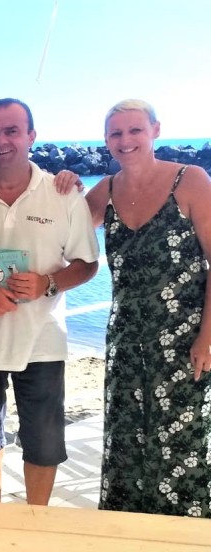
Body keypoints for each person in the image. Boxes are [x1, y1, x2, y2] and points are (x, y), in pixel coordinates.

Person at [0, 98, 99, 552]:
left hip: (42, 341)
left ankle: (35, 521)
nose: (2, 141)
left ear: (32, 136)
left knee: (44, 440)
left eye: (12, 131)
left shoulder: (64, 193)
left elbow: (87, 264)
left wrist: (50, 283)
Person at [84, 99, 211, 517]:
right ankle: (127, 534)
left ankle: (185, 539)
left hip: (184, 339)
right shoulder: (104, 190)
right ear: (106, 141)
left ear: (155, 130)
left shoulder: (190, 180)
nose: (126, 140)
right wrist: (60, 184)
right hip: (126, 341)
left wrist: (208, 336)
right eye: (116, 133)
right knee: (126, 442)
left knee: (183, 444)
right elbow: (60, 232)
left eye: (135, 130)